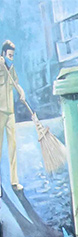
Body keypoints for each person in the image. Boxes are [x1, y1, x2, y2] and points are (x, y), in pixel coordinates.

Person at [0, 40, 24, 194]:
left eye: (13, 56)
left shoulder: (12, 68)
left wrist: (21, 92)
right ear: (3, 54)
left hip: (10, 113)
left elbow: (16, 83)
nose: (11, 58)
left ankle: (14, 182)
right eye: (9, 55)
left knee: (13, 147)